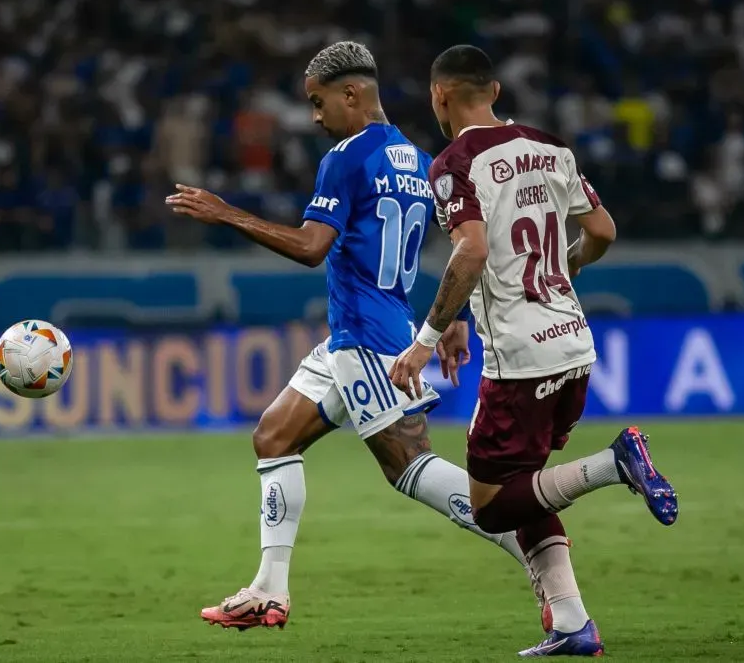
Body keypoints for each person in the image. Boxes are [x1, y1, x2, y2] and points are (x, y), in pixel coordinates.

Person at [166, 41, 537, 631]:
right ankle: (268, 589)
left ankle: (530, 544)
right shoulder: (415, 157)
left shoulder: (346, 156)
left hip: (367, 334)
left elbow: (314, 248)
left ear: (352, 94)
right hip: (365, 327)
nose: (315, 117)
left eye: (318, 103)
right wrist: (454, 318)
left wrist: (226, 213)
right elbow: (445, 242)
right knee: (274, 436)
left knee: (410, 467)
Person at [389, 45, 679, 658]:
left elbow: (469, 252)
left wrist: (424, 340)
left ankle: (616, 463)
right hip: (573, 346)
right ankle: (573, 625)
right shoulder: (553, 149)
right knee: (527, 488)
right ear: (494, 91)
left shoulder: (453, 163)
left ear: (439, 96)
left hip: (521, 362)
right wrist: (557, 272)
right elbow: (602, 231)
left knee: (491, 508)